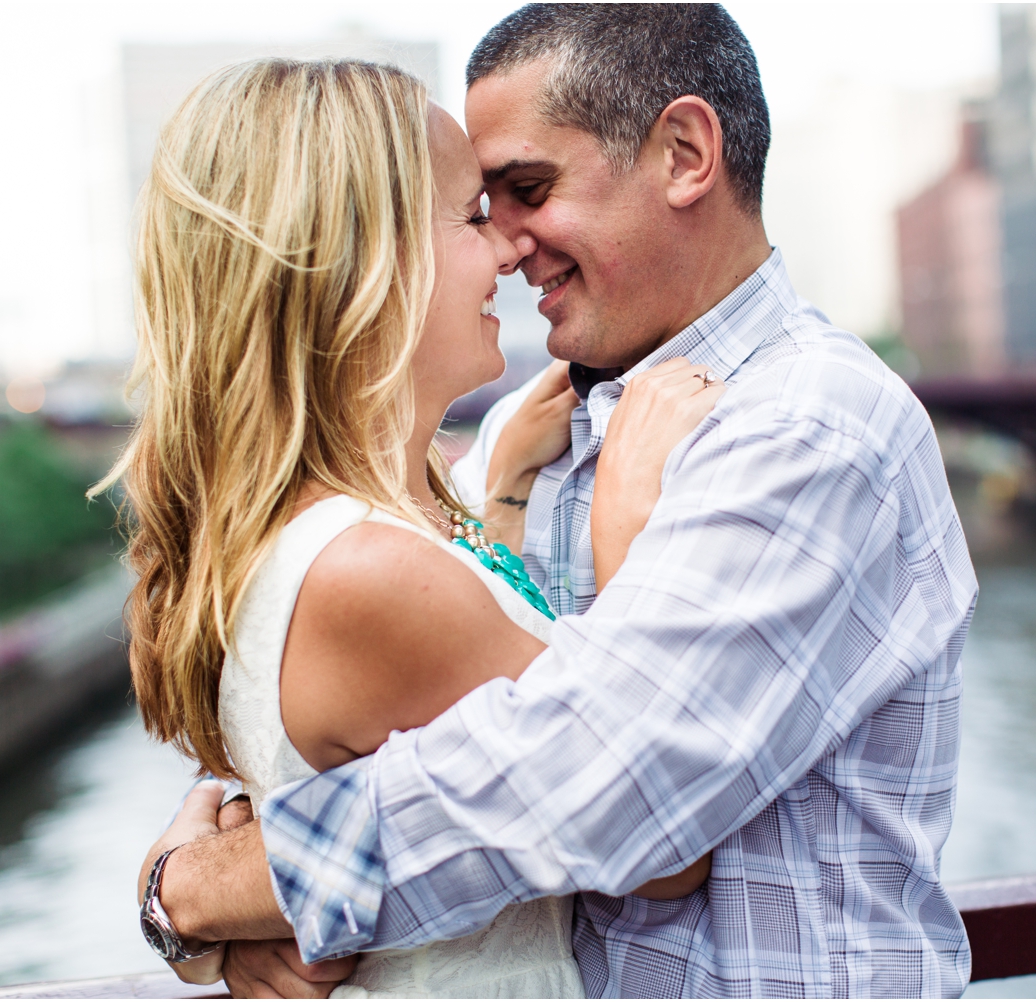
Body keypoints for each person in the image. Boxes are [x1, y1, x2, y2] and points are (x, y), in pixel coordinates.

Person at [147, 5, 979, 998]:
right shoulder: (518, 439)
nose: (506, 244)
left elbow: (612, 788)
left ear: (683, 153)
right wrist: (212, 878)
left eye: (526, 190)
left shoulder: (807, 425)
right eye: (476, 209)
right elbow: (358, 707)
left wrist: (204, 888)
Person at [101, 57, 724, 998]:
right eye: (474, 216)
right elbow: (659, 845)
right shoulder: (369, 572)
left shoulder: (369, 532)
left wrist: (504, 490)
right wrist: (631, 529)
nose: (511, 251)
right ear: (358, 262)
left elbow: (462, 710)